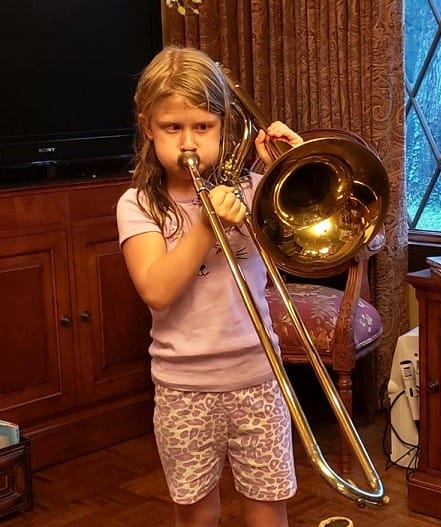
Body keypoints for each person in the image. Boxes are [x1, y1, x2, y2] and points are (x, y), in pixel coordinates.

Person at [116, 45, 304, 527]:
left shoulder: (256, 191)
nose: (188, 143)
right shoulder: (137, 204)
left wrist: (298, 167)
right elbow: (156, 289)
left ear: (224, 126)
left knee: (268, 513)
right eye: (172, 127)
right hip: (184, 388)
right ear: (147, 128)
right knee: (197, 515)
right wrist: (205, 224)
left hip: (260, 379)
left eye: (203, 127)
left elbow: (327, 243)